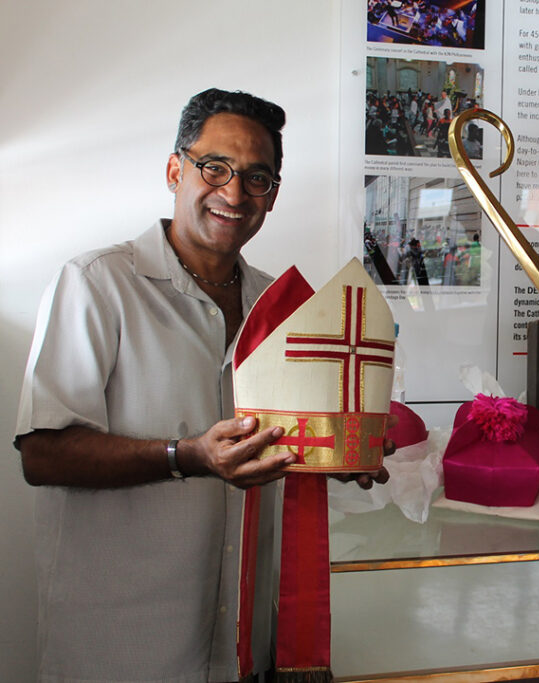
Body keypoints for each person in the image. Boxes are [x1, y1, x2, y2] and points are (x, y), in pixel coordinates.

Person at [14, 88, 388, 682]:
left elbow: (282, 442)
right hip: (123, 645)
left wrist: (334, 452)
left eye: (257, 177)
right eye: (215, 167)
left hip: (244, 641)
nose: (234, 193)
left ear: (273, 194)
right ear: (174, 170)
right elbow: (43, 453)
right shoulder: (96, 283)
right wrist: (187, 456)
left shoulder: (283, 305)